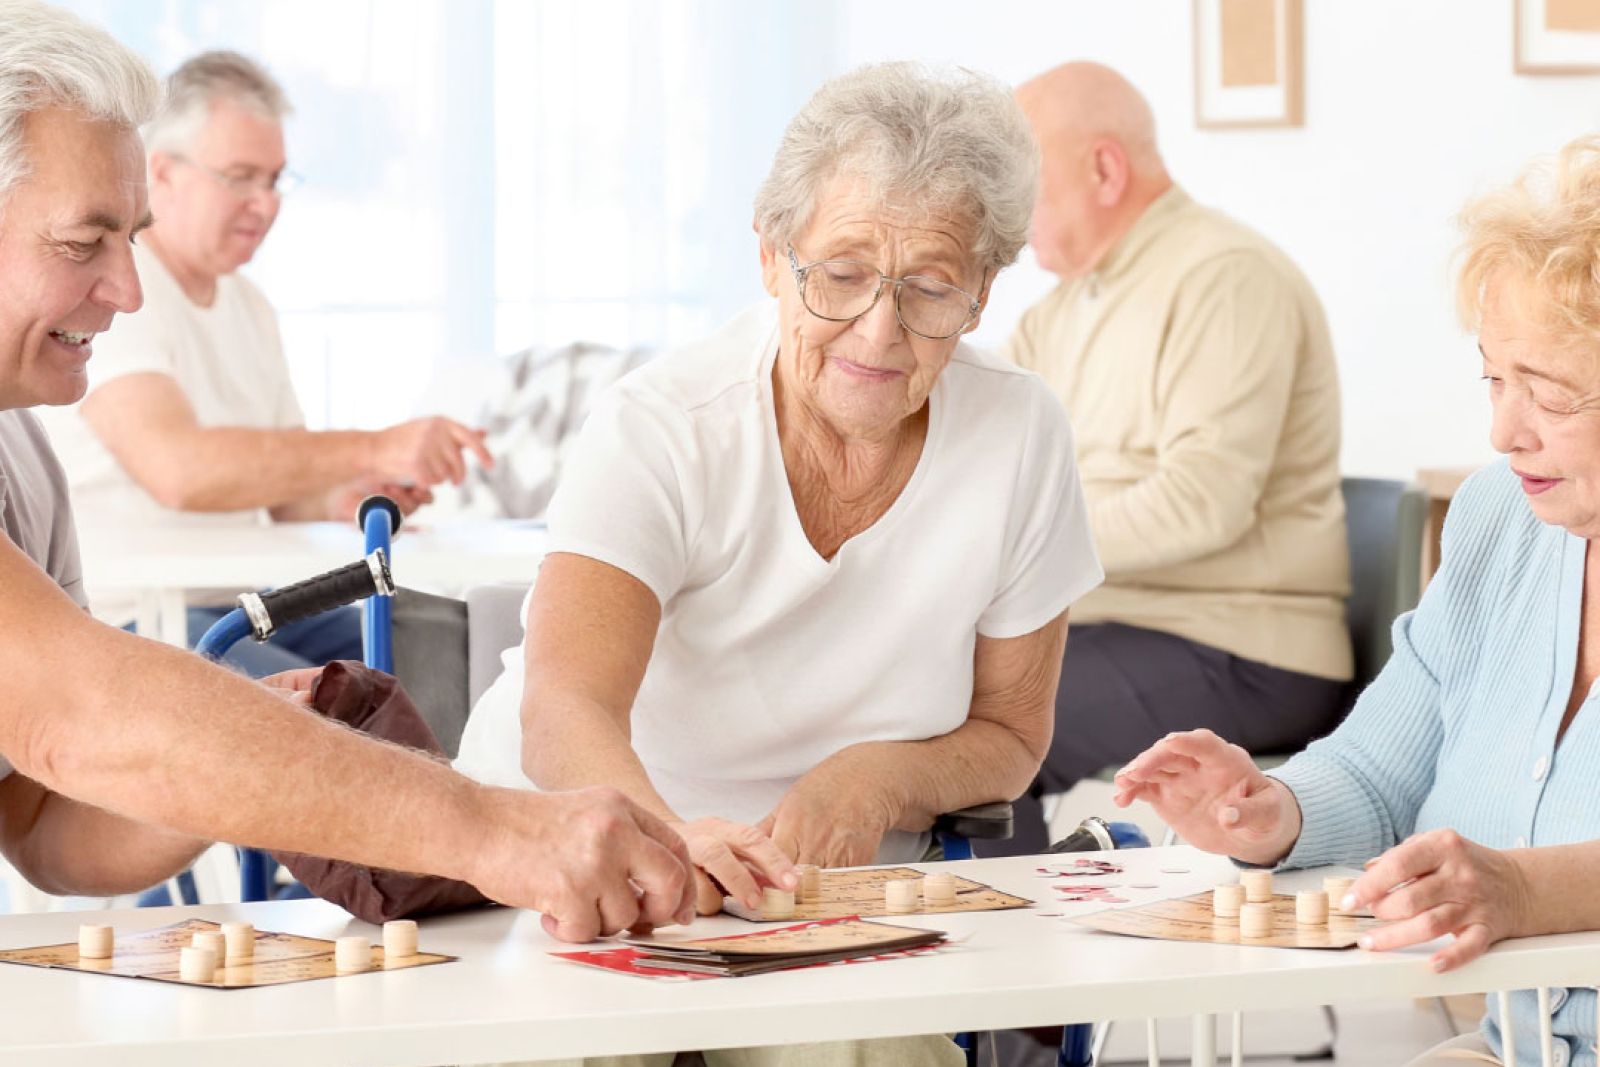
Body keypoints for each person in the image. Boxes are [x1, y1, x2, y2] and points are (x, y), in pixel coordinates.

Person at [0, 0, 691, 944]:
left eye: (131, 237)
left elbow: (45, 827)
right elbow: (75, 714)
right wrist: (495, 830)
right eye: (84, 243)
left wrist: (249, 747)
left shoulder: (23, 452)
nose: (126, 288)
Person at [455, 61, 1101, 1067]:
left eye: (929, 285)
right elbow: (563, 709)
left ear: (980, 291)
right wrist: (664, 838)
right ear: (771, 257)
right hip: (580, 844)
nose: (879, 330)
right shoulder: (664, 427)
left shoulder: (1018, 434)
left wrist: (874, 781)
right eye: (841, 273)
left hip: (819, 896)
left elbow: (1013, 730)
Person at [1115, 135, 1600, 1067]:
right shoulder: (1500, 520)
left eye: (1545, 393)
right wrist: (1269, 809)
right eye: (1495, 378)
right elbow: (1382, 767)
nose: (1503, 430)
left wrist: (1529, 890)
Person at [36, 50, 493, 677]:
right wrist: (376, 446)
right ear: (161, 173)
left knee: (443, 657)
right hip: (143, 616)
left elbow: (288, 495)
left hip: (240, 603)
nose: (266, 203)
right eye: (241, 176)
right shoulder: (116, 291)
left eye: (275, 179)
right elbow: (180, 469)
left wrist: (352, 495)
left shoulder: (249, 307)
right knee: (352, 712)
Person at [993, 61, 1351, 855]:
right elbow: (979, 460)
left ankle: (1009, 954)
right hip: (1122, 627)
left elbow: (1202, 503)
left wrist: (1010, 554)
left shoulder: (1224, 277)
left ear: (1105, 169)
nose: (1006, 214)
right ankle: (1014, 928)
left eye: (1021, 183)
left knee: (982, 727)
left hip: (1244, 648)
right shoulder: (1060, 311)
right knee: (915, 692)